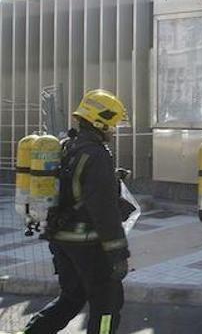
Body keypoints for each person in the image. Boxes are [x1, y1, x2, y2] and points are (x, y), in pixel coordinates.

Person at [25, 90, 130, 334]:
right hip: (88, 244)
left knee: (71, 298)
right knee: (107, 306)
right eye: (111, 125)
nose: (112, 131)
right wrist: (118, 254)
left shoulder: (67, 146)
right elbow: (104, 212)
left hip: (61, 240)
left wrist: (110, 179)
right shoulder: (97, 155)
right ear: (99, 122)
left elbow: (74, 188)